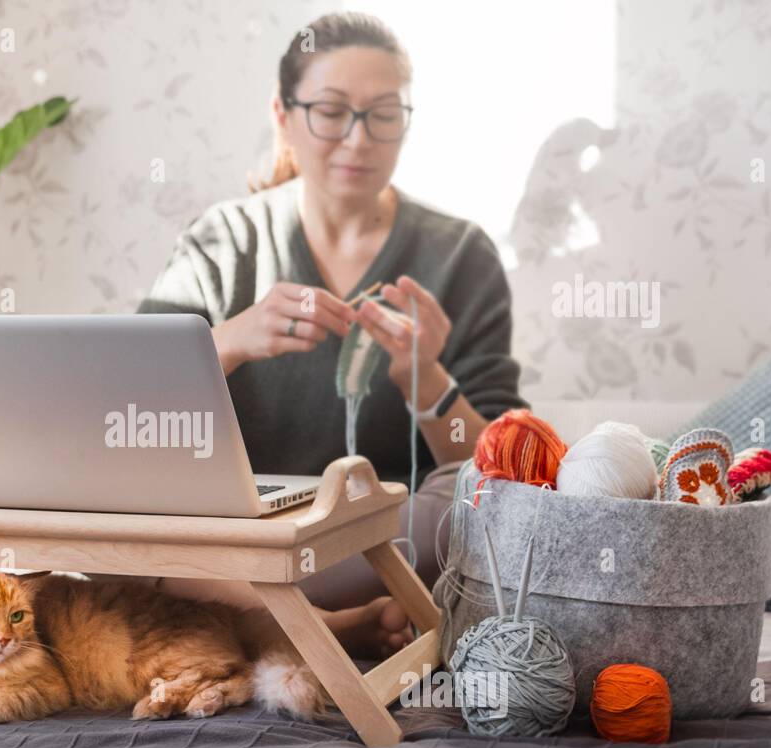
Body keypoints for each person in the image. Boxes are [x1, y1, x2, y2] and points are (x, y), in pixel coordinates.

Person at [129, 12, 527, 656]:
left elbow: (504, 465)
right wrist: (230, 340)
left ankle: (252, 613)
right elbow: (126, 412)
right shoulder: (224, 241)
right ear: (284, 116)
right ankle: (323, 624)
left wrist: (426, 381)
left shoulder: (461, 255)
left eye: (383, 114)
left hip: (387, 532)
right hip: (243, 527)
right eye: (331, 111)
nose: (358, 139)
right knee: (109, 528)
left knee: (473, 507)